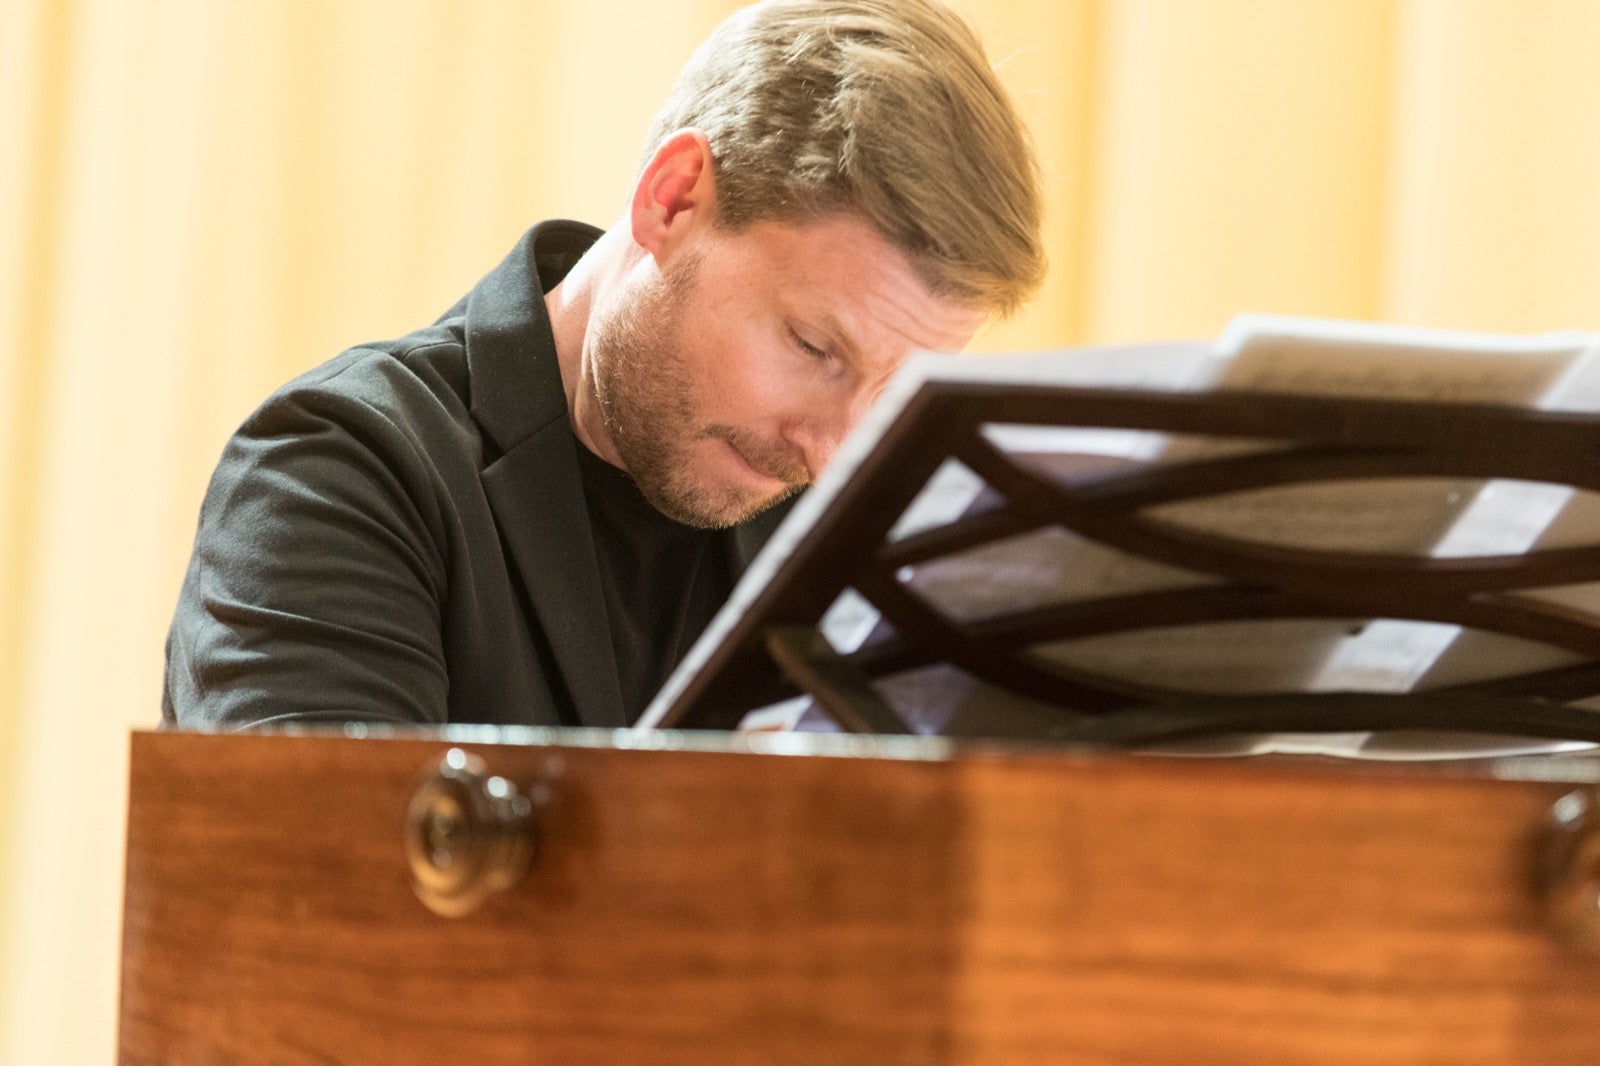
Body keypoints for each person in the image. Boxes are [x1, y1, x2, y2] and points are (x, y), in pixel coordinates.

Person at [164, 0, 1045, 730]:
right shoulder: (336, 475)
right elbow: (331, 908)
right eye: (814, 348)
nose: (829, 455)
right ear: (675, 198)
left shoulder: (854, 546)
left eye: (892, 393)